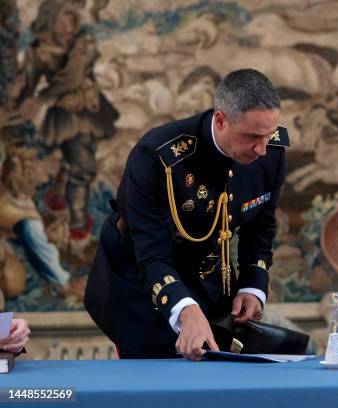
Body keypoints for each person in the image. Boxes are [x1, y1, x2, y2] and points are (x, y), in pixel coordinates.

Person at [84, 69, 288, 360]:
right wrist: (184, 310)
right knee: (156, 377)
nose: (262, 149)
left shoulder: (270, 149)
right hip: (139, 284)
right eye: (253, 136)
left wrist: (254, 286)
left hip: (208, 273)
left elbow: (260, 227)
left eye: (268, 135)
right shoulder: (156, 156)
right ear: (221, 120)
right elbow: (151, 253)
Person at [13, 0, 118, 254]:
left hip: (86, 110)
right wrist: (18, 102)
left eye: (73, 19)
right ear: (52, 18)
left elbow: (73, 76)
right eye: (65, 18)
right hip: (64, 116)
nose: (71, 24)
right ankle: (76, 222)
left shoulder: (83, 44)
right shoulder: (39, 50)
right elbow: (27, 82)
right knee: (78, 165)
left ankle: (69, 212)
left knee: (80, 162)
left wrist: (43, 98)